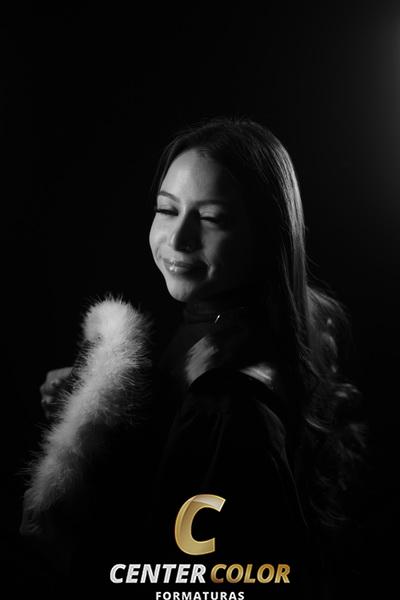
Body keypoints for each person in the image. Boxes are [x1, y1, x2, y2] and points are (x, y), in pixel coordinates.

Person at [20, 117, 366, 598]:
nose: (178, 238)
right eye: (167, 209)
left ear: (266, 235)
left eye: (212, 218)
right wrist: (93, 414)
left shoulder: (231, 401)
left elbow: (196, 579)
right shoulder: (203, 329)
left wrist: (71, 547)